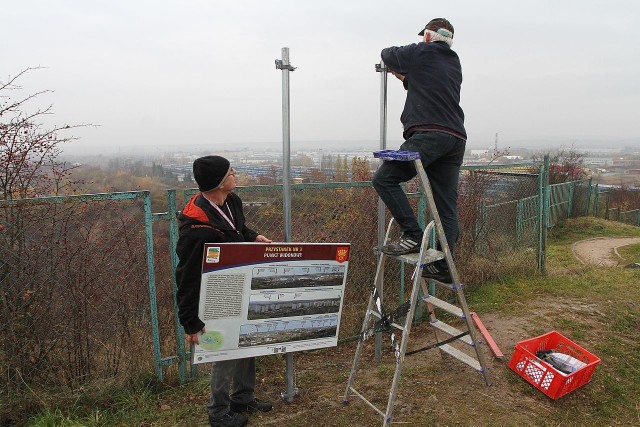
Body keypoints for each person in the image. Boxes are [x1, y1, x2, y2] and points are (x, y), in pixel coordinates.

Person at [175, 155, 273, 427]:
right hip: (214, 297)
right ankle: (218, 412)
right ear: (220, 182)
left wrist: (253, 236)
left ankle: (242, 397)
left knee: (247, 341)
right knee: (223, 351)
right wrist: (190, 322)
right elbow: (186, 278)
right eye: (231, 171)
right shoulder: (196, 228)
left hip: (240, 286)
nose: (236, 174)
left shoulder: (232, 202)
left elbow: (238, 229)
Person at [372, 18, 466, 284]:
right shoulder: (453, 62)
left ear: (427, 36)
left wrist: (400, 66)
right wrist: (405, 77)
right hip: (455, 138)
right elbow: (425, 84)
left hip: (428, 134)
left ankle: (412, 234)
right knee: (445, 205)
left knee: (384, 179)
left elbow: (387, 53)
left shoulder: (422, 51)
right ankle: (446, 266)